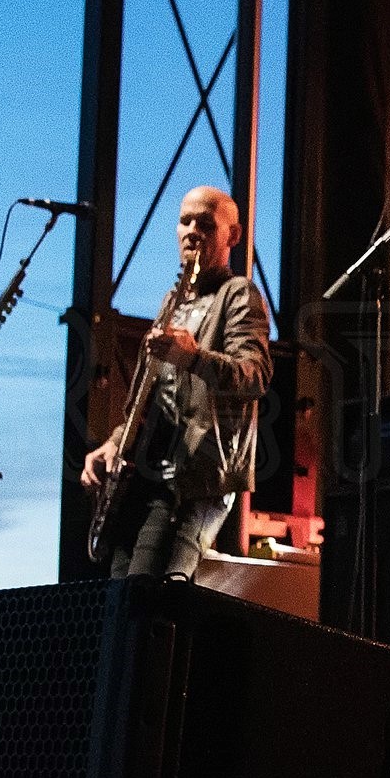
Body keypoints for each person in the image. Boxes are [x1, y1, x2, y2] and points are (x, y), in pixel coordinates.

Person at [80, 186, 272, 580]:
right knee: (118, 601)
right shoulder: (172, 302)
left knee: (147, 601)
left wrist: (194, 356)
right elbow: (153, 402)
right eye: (185, 221)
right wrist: (114, 443)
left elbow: (255, 376)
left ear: (232, 236)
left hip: (195, 483)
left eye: (205, 223)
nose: (192, 231)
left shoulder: (238, 294)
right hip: (144, 478)